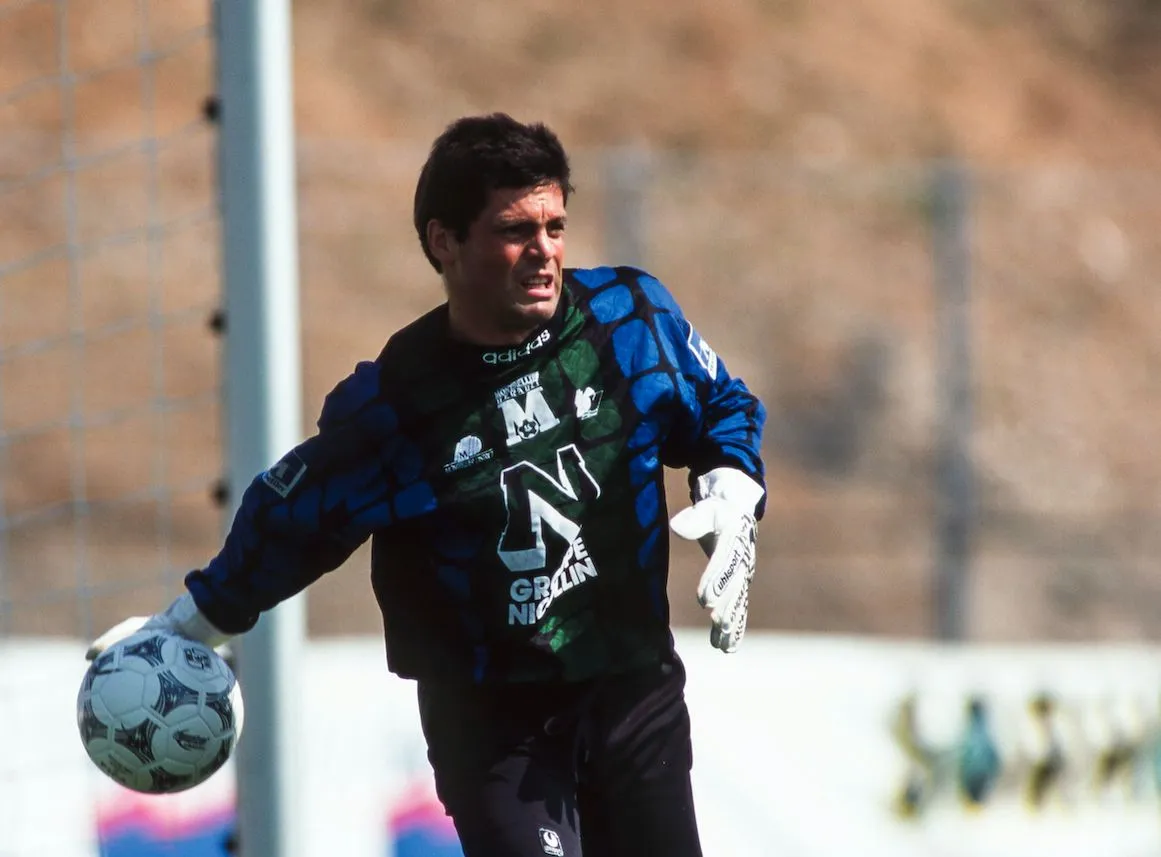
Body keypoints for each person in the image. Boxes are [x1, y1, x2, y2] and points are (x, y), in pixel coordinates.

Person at [87, 113, 767, 857]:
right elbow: (292, 520)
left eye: (554, 225)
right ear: (444, 241)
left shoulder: (630, 319)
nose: (543, 252)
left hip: (634, 690)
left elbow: (721, 405)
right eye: (514, 229)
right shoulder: (396, 405)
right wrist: (191, 622)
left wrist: (732, 482)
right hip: (494, 727)